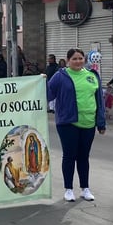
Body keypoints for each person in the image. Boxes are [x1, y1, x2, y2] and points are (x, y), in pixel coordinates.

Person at [46, 48, 106, 202]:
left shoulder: (92, 76)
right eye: (74, 59)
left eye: (80, 58)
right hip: (68, 123)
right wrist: (42, 81)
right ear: (68, 61)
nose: (78, 61)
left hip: (89, 123)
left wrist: (101, 122)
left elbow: (99, 100)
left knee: (83, 157)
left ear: (84, 60)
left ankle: (85, 188)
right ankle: (68, 189)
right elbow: (48, 94)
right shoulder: (60, 76)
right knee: (69, 156)